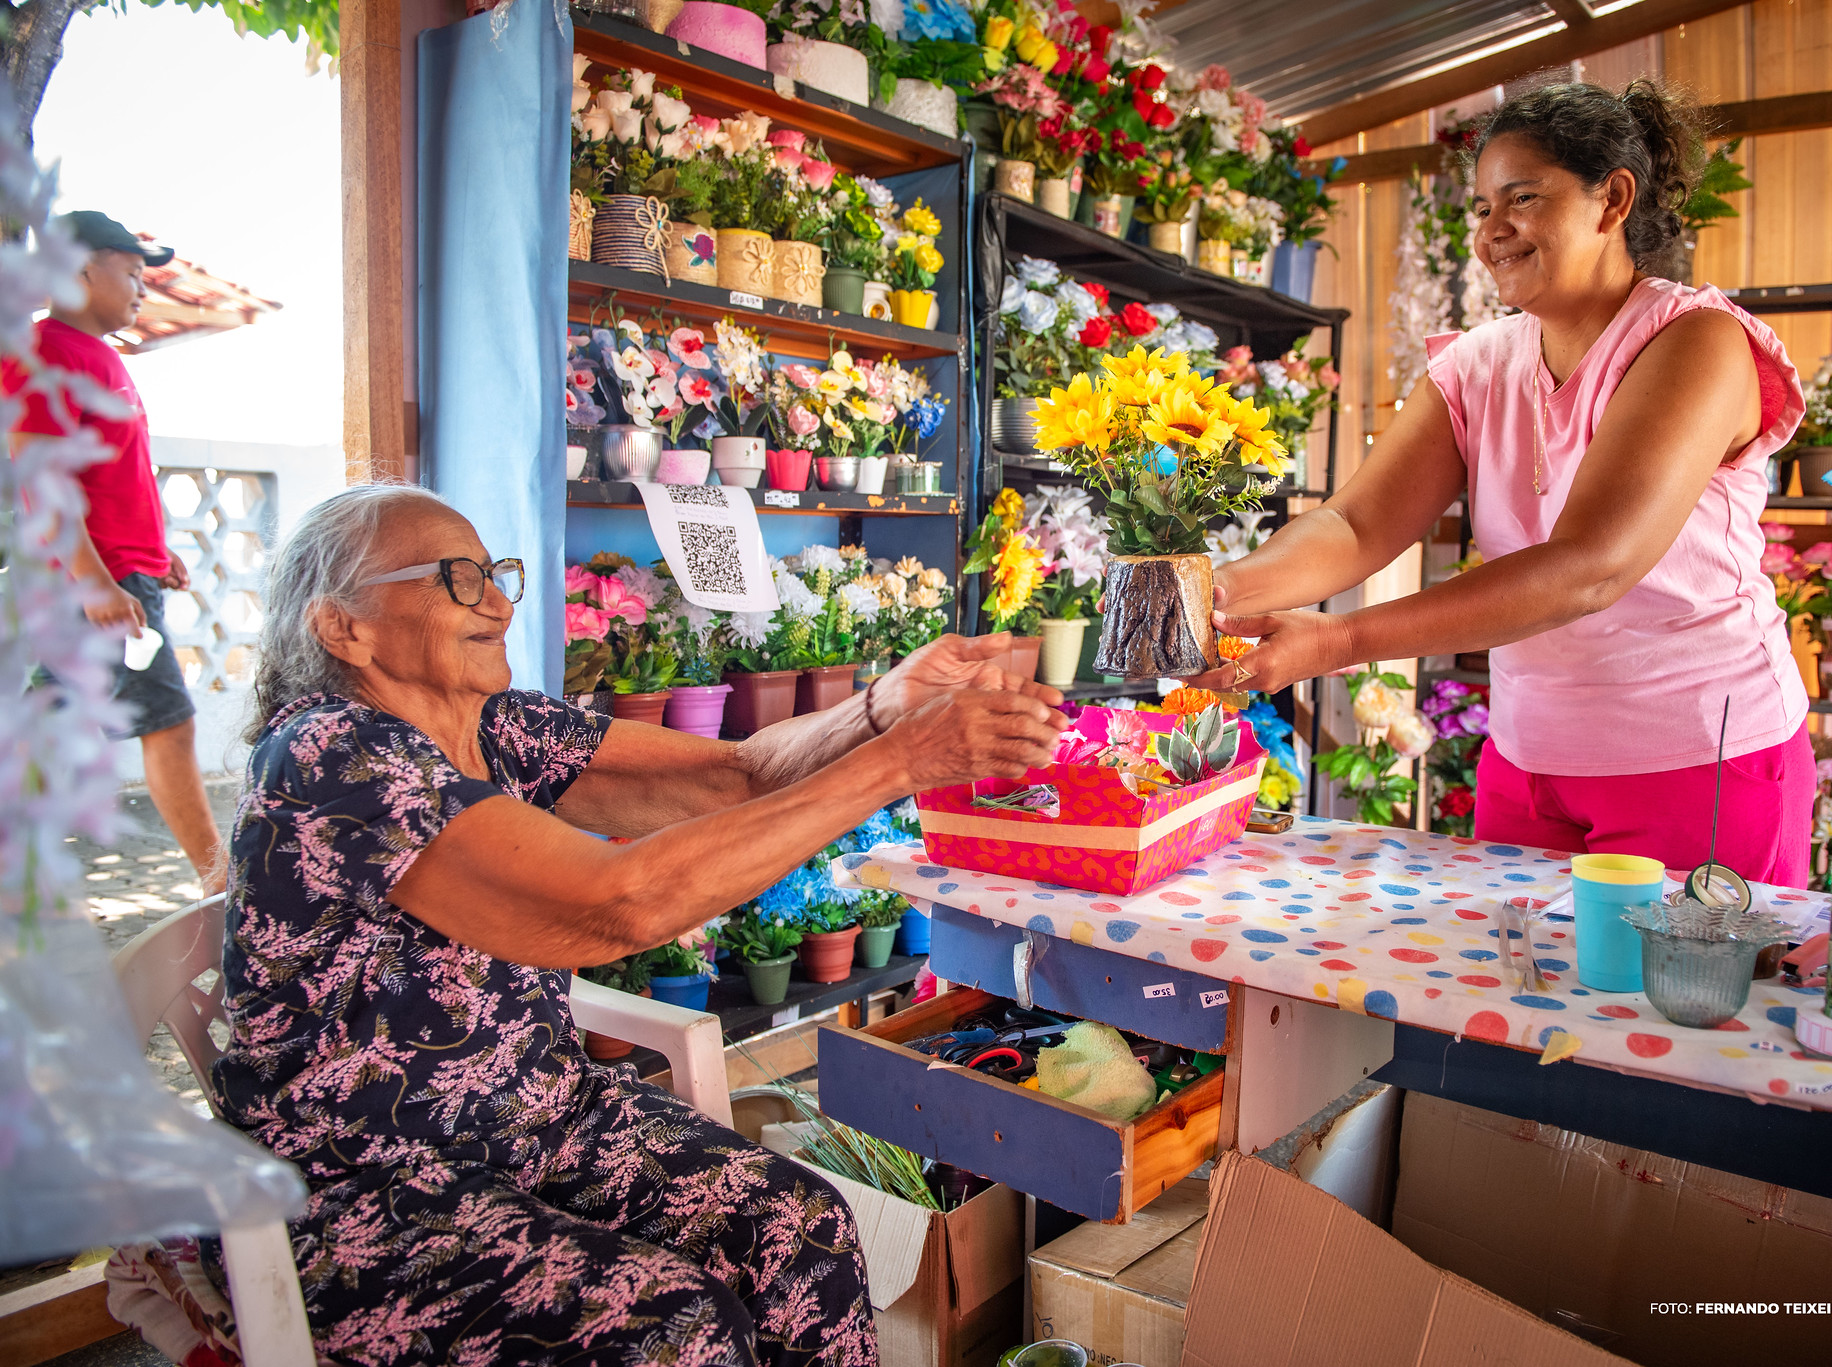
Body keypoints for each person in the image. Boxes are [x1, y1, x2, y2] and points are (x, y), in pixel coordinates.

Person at [213, 482, 1066, 1366]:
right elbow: (614, 902)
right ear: (340, 625)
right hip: (369, 1186)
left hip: (544, 1125)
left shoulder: (497, 729)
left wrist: (882, 709)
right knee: (680, 1331)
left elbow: (734, 776)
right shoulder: (331, 753)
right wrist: (903, 760)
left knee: (802, 1233)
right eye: (457, 580)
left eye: (495, 573)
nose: (500, 601)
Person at [1196, 81, 1814, 887]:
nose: (1492, 232)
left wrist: (1336, 641)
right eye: (1482, 207)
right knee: (1517, 1006)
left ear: (1613, 199)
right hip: (1528, 761)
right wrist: (1217, 592)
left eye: (1522, 199)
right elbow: (1356, 527)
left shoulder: (1695, 342)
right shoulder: (1479, 364)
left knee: (1682, 1011)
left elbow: (1591, 564)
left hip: (1700, 758)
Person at [6, 211, 224, 894]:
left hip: (119, 572)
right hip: (85, 583)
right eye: (129, 272)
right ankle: (221, 882)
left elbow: (111, 475)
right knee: (169, 725)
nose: (140, 288)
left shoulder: (100, 355)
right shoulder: (42, 350)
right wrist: (96, 582)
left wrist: (157, 551)